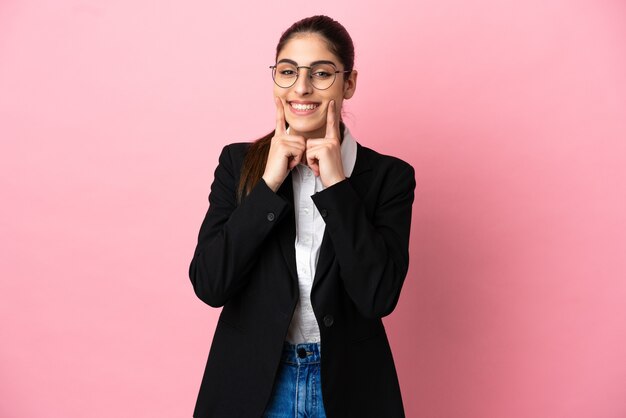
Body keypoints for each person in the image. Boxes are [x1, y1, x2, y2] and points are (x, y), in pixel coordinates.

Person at [189, 15, 415, 418]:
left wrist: (336, 185)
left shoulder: (389, 177)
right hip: (253, 384)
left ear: (349, 83)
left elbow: (378, 295)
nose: (302, 87)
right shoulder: (236, 163)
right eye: (288, 71)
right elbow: (210, 284)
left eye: (322, 73)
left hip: (350, 387)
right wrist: (270, 181)